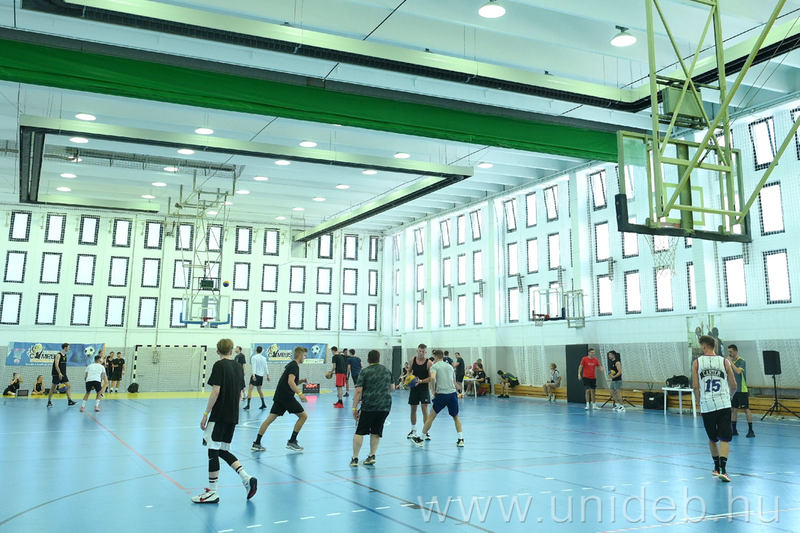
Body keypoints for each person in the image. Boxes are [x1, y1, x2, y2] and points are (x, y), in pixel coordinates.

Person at [193, 338, 257, 504]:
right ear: (231, 351)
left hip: (219, 415)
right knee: (221, 450)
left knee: (212, 451)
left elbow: (215, 392)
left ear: (217, 351)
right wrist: (234, 411)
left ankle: (213, 492)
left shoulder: (219, 365)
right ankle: (247, 478)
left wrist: (206, 414)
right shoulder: (238, 367)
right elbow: (241, 394)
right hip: (233, 416)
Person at [693, 335, 737, 482]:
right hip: (723, 403)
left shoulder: (697, 363)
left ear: (704, 346)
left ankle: (717, 467)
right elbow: (734, 385)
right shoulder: (725, 362)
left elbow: (695, 387)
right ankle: (723, 470)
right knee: (725, 438)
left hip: (707, 405)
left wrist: (700, 402)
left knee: (712, 438)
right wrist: (729, 396)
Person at [252, 347, 309, 452]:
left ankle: (257, 443)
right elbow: (290, 382)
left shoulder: (290, 365)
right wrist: (300, 394)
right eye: (304, 355)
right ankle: (292, 441)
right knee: (303, 416)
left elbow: (291, 381)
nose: (305, 357)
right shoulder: (294, 366)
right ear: (300, 355)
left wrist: (301, 381)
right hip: (286, 397)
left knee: (269, 419)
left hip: (280, 396)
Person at [350, 349, 394, 467]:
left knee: (360, 431)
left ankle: (355, 458)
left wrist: (354, 408)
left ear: (368, 360)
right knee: (376, 431)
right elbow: (392, 388)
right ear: (379, 359)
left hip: (369, 406)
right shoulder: (387, 371)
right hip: (385, 406)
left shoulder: (364, 372)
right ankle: (372, 455)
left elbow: (358, 391)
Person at [412, 350, 464, 447]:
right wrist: (459, 390)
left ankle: (421, 439)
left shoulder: (434, 366)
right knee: (456, 417)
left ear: (435, 357)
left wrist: (433, 390)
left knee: (431, 416)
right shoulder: (450, 367)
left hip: (442, 394)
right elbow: (454, 382)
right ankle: (460, 439)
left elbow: (432, 378)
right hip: (452, 394)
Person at [727, 345, 755, 438]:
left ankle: (751, 430)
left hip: (742, 390)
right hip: (734, 390)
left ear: (736, 351)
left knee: (746, 409)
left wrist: (731, 363)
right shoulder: (730, 363)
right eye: (729, 352)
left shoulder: (741, 361)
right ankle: (734, 429)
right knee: (733, 409)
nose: (730, 354)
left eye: (731, 352)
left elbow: (738, 371)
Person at [407, 344, 433, 440]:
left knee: (424, 409)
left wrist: (421, 381)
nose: (421, 353)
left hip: (424, 388)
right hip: (414, 388)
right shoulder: (412, 360)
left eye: (423, 351)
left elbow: (431, 378)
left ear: (425, 352)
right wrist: (409, 377)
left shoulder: (429, 363)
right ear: (417, 351)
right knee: (413, 408)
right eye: (419, 351)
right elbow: (409, 371)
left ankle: (426, 432)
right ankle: (413, 429)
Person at [47, 343, 76, 407]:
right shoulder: (58, 355)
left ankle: (69, 400)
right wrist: (59, 373)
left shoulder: (65, 355)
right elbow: (56, 365)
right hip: (56, 374)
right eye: (68, 347)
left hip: (63, 374)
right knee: (53, 388)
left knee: (68, 386)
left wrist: (63, 373)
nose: (69, 348)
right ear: (65, 347)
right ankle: (49, 401)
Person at [243, 346, 269, 410]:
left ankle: (248, 405)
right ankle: (263, 404)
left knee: (250, 390)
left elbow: (254, 366)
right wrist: (268, 375)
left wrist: (253, 375)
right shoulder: (264, 358)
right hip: (261, 376)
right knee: (259, 390)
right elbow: (266, 367)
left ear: (256, 350)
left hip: (256, 375)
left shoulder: (254, 357)